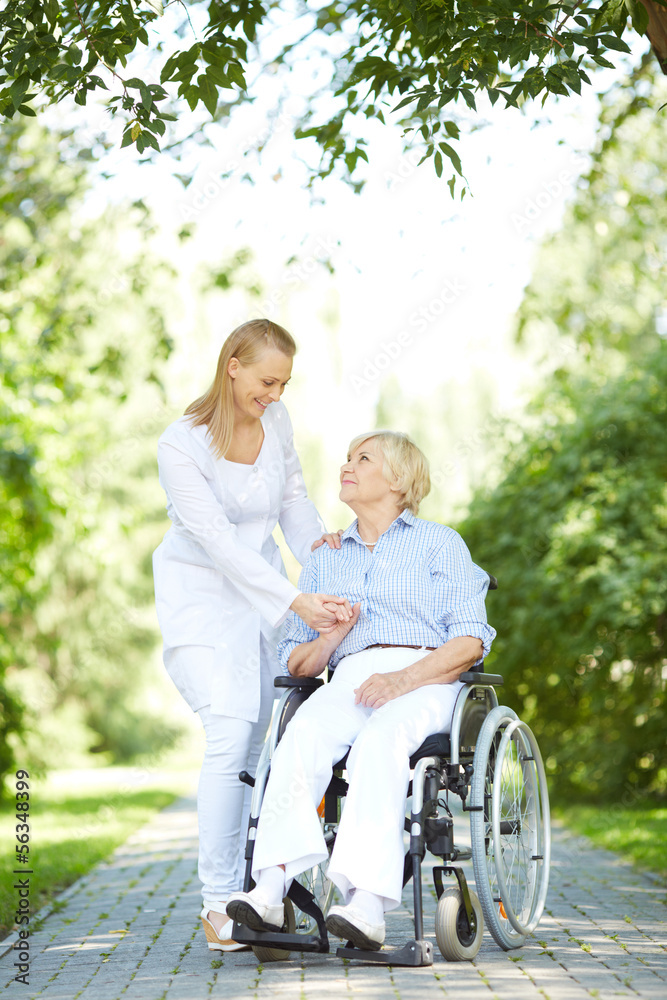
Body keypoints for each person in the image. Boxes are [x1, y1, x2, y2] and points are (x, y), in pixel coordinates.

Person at [226, 430, 496, 952]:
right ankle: (270, 888)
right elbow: (296, 661)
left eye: (363, 459)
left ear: (397, 481)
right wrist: (332, 635)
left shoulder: (441, 544)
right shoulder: (326, 558)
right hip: (350, 676)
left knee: (383, 739)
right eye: (348, 457)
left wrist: (404, 679)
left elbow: (471, 640)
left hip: (428, 676)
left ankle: (367, 904)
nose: (346, 465)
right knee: (301, 735)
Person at [152, 319, 351, 951]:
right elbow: (213, 540)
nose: (275, 393)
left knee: (259, 743)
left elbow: (292, 500)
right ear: (232, 365)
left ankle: (253, 891)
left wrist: (319, 558)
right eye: (267, 380)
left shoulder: (277, 423)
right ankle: (216, 906)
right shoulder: (180, 445)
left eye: (285, 383)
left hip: (263, 601)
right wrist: (294, 597)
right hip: (202, 600)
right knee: (230, 734)